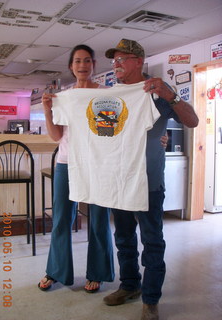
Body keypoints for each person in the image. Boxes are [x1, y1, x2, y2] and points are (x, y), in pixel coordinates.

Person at [103, 39, 199, 320]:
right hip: (119, 182)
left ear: (139, 61)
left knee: (152, 240)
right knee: (123, 238)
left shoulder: (158, 92)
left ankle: (151, 299)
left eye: (122, 59)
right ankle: (129, 286)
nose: (116, 65)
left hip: (149, 182)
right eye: (114, 61)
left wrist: (172, 95)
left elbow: (192, 121)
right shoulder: (113, 95)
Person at [38, 44, 114, 293]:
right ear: (71, 66)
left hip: (97, 165)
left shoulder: (106, 94)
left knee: (99, 220)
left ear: (94, 65)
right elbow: (56, 136)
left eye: (87, 61)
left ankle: (98, 273)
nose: (83, 66)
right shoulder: (65, 97)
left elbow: (111, 131)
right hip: (66, 163)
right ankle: (55, 271)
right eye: (78, 61)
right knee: (61, 220)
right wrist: (48, 111)